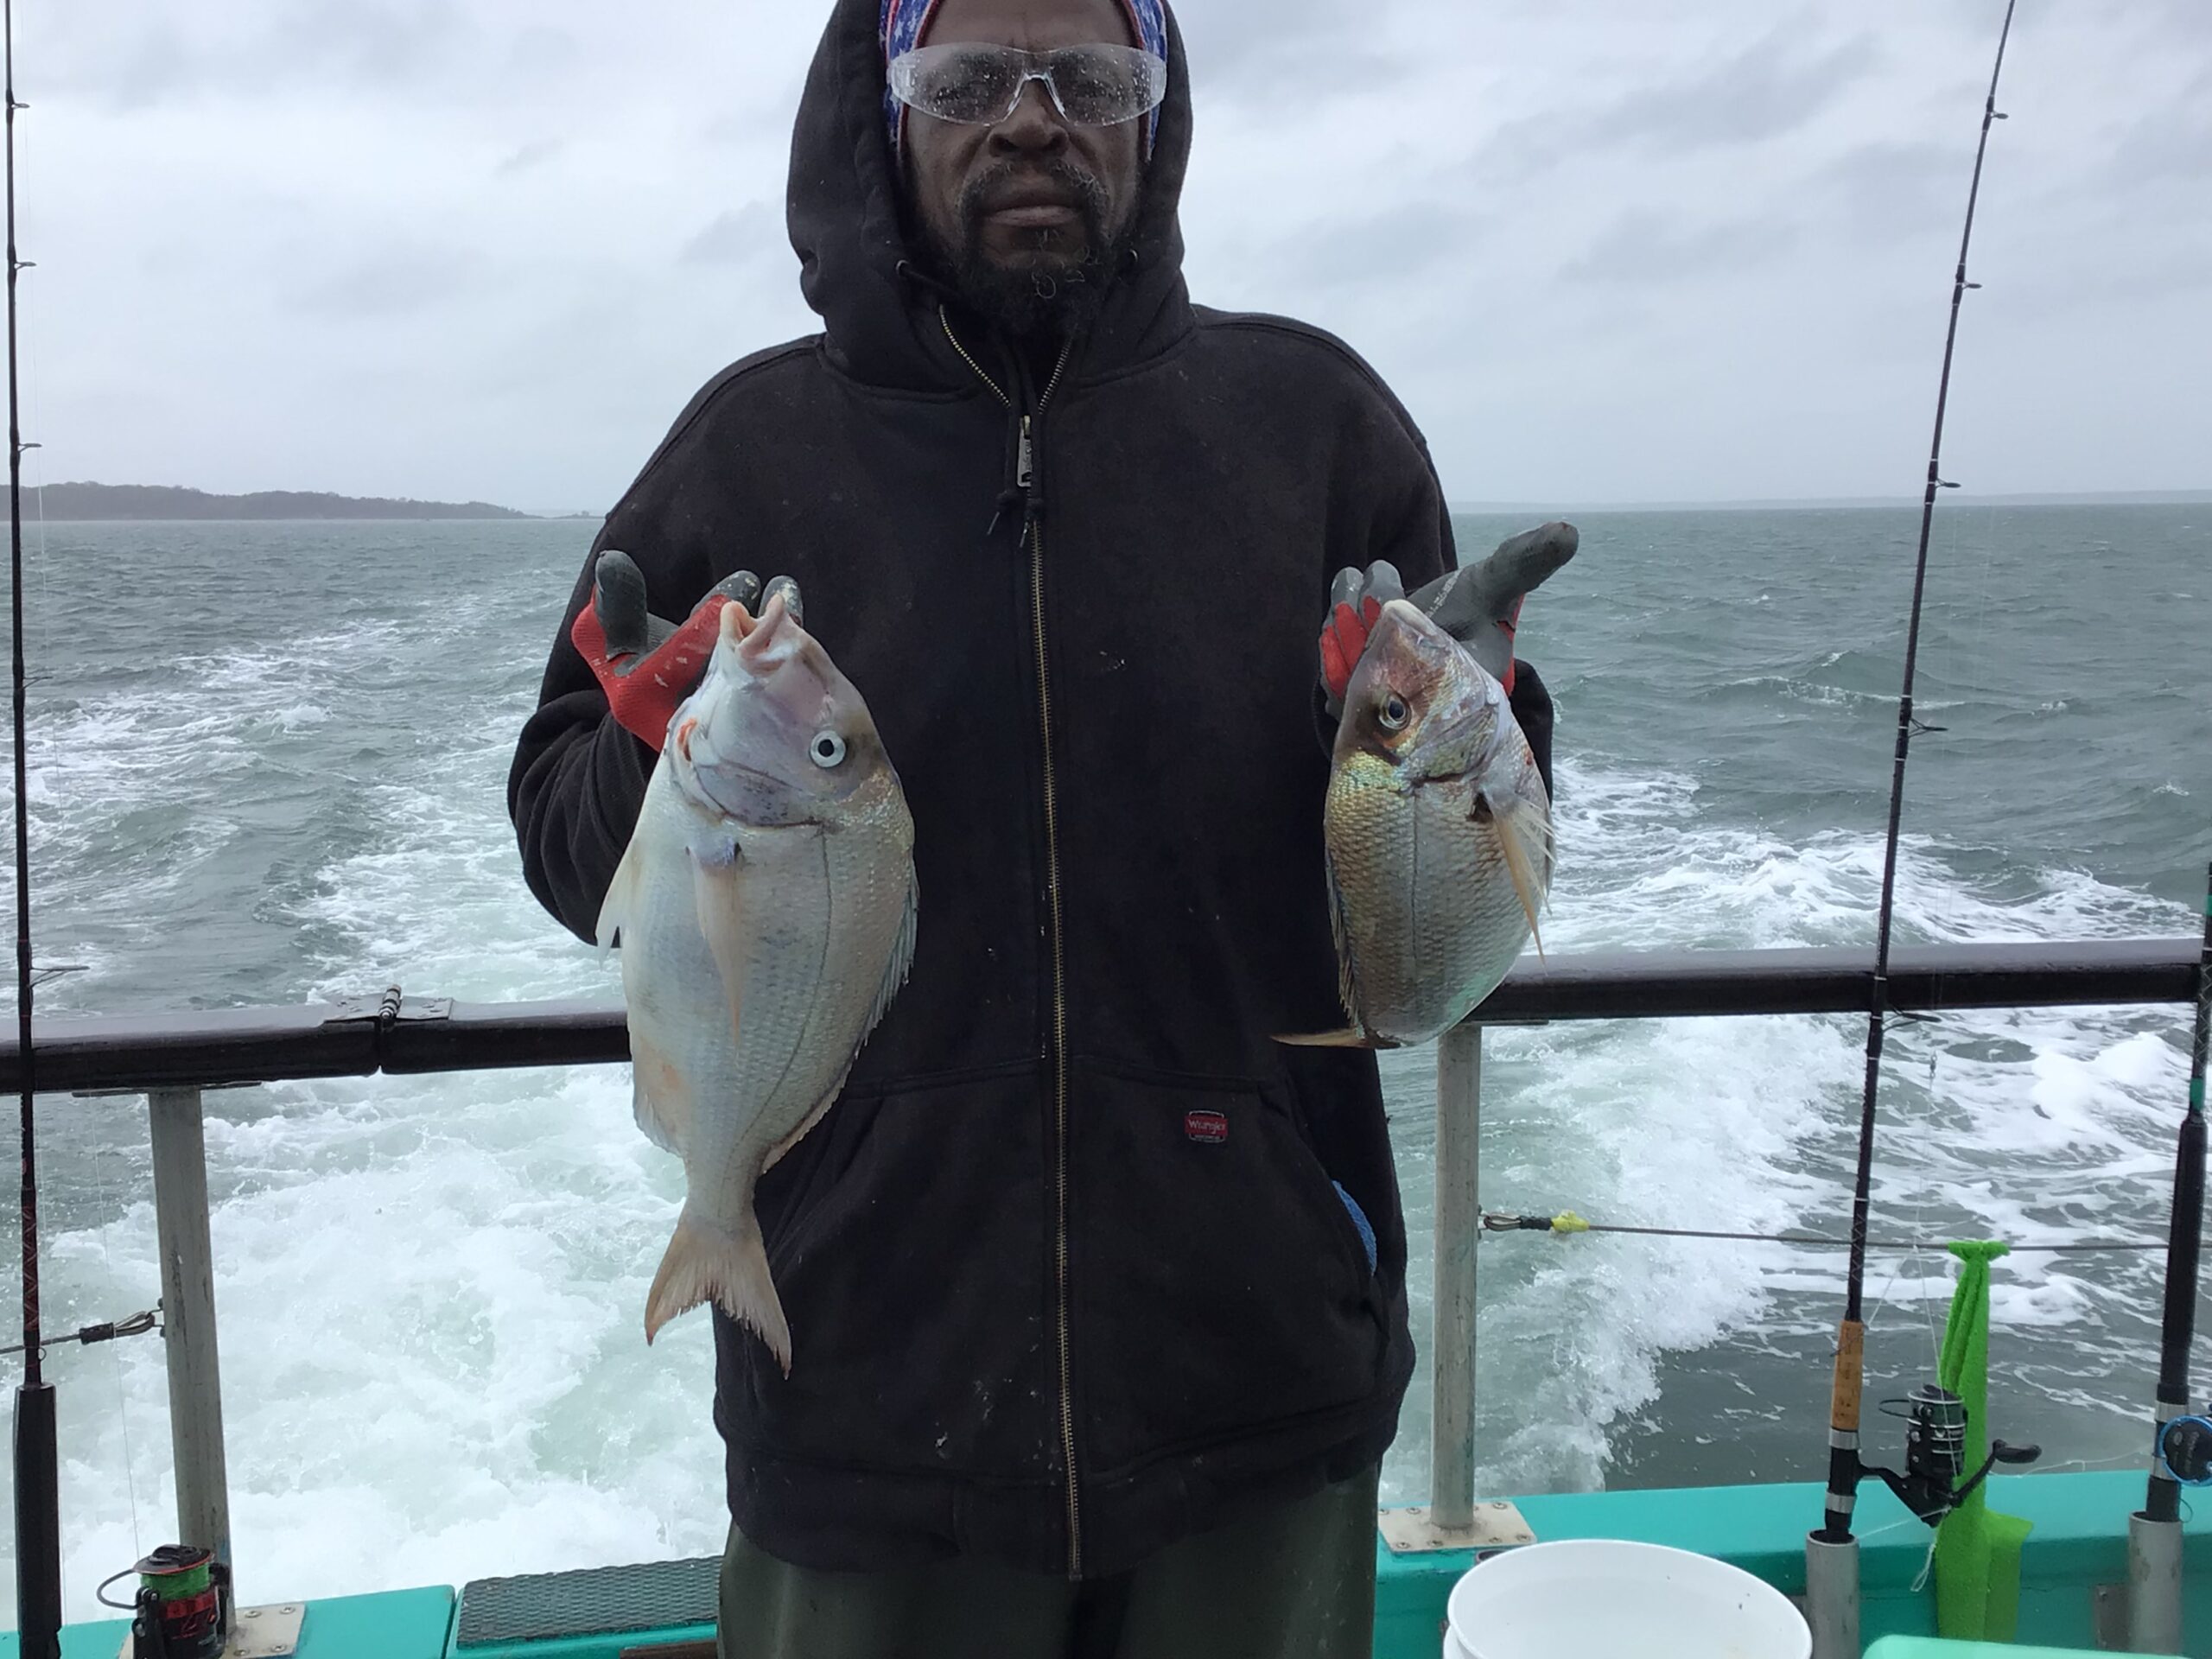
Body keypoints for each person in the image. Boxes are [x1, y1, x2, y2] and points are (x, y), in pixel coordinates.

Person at [506, 0, 1565, 1652]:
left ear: (1155, 109)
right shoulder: (748, 446)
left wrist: (1465, 712)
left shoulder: (1318, 427)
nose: (1029, 120)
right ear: (885, 106)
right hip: (860, 1384)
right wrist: (645, 752)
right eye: (968, 78)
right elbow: (569, 849)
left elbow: (1462, 865)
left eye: (1087, 78)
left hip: (1259, 1376)